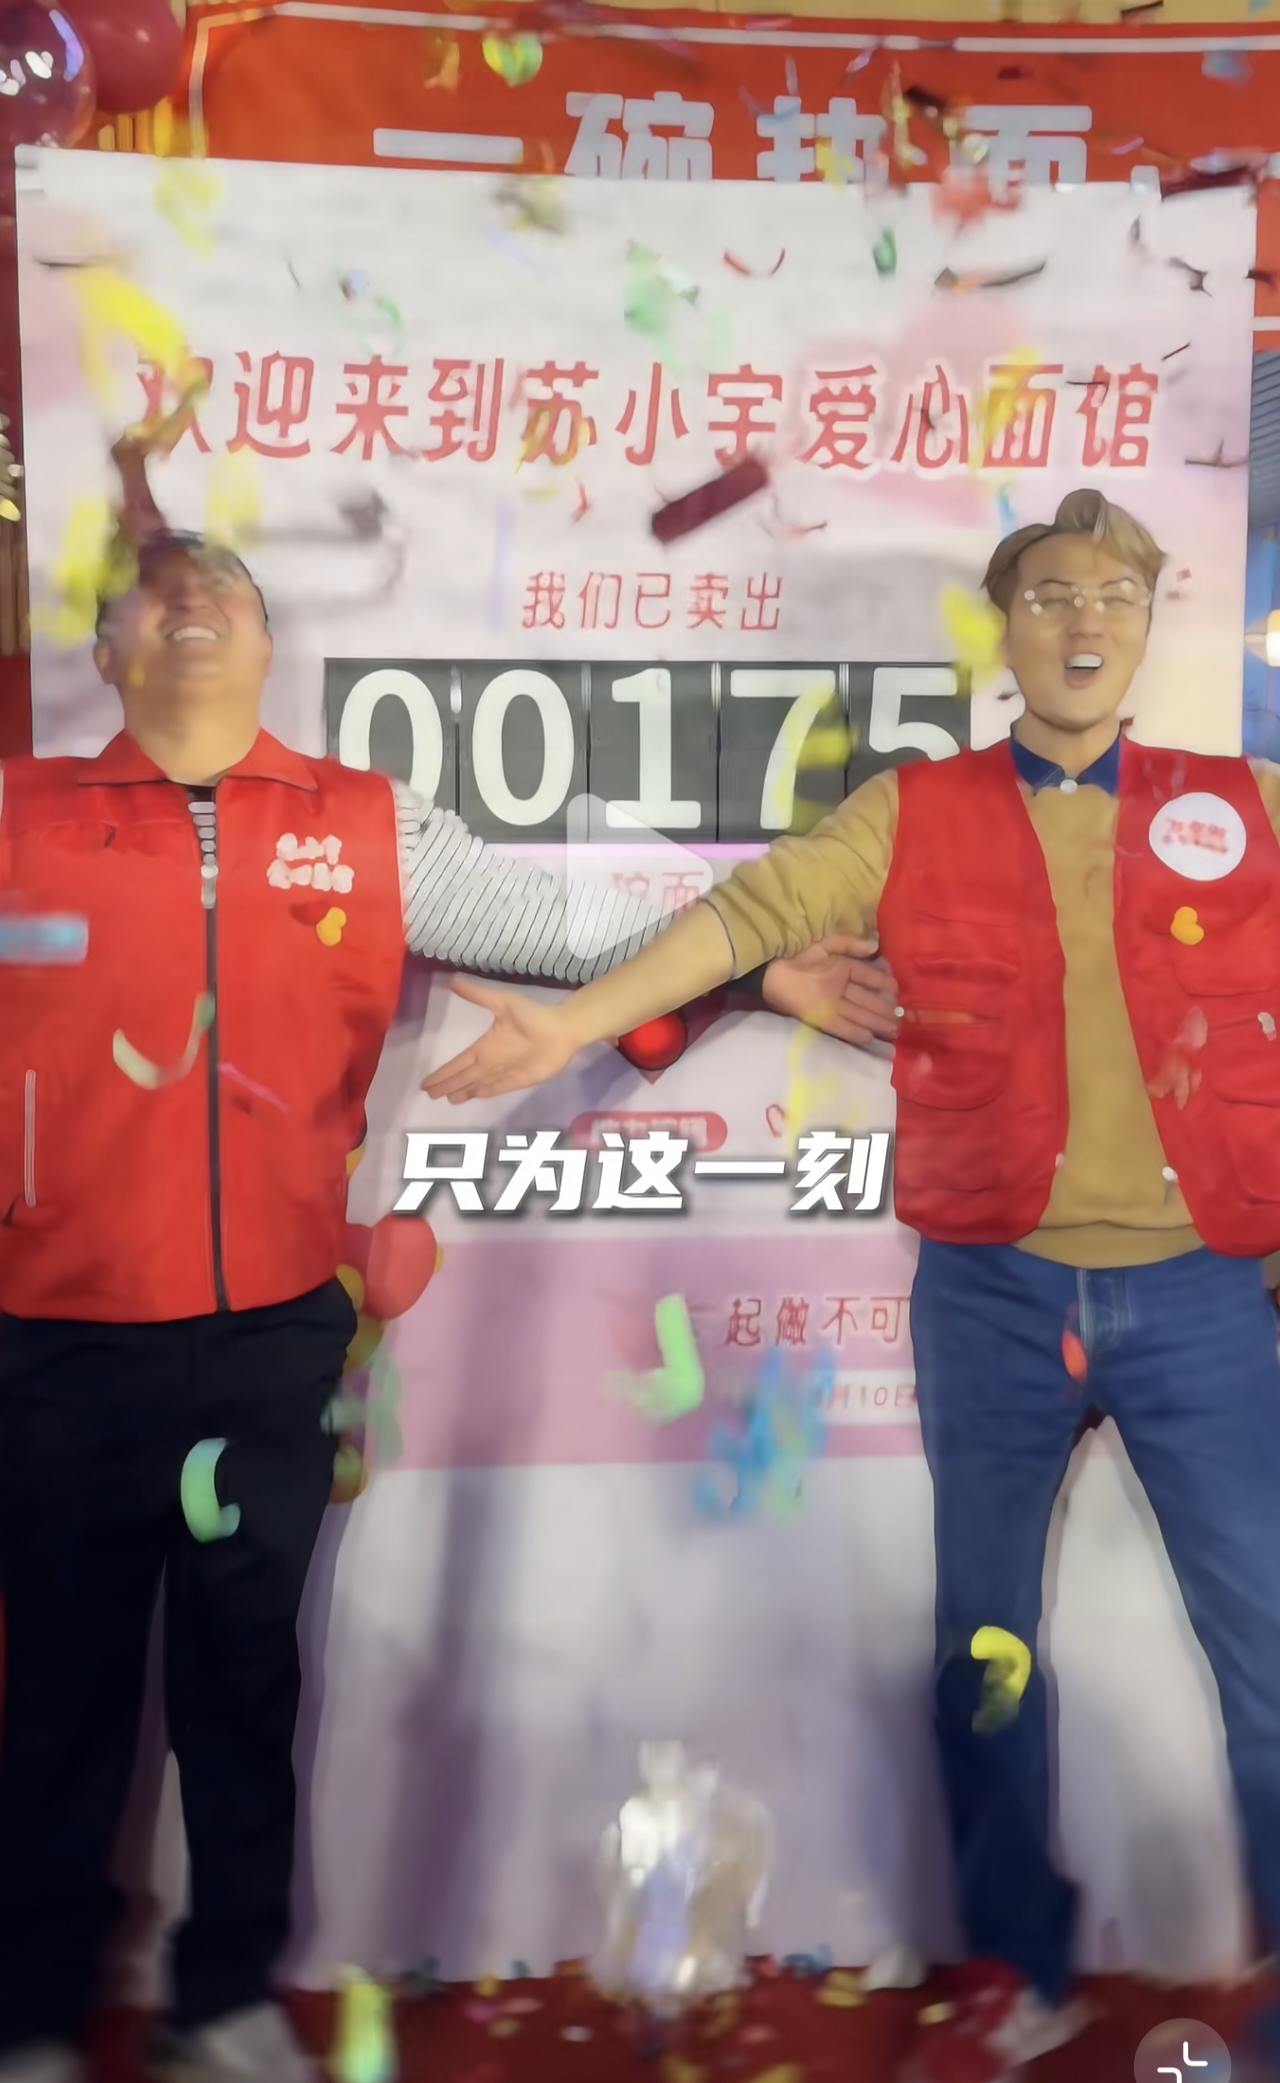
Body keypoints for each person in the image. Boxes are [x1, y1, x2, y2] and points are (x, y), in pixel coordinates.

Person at [0, 527, 888, 2083]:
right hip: (60, 1340)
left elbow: (570, 942)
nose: (192, 614)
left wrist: (756, 976)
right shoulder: (21, 821)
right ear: (107, 653)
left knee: (241, 1685)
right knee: (60, 1695)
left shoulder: (366, 822)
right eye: (156, 601)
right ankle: (30, 2016)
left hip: (274, 1336)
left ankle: (223, 2000)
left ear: (266, 646)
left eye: (224, 598)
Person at [427, 487, 1280, 2083]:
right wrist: (577, 1021)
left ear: (1148, 621)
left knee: (1273, 1661)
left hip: (1204, 1299)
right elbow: (745, 917)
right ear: (1008, 628)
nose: (1083, 621)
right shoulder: (914, 810)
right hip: (990, 1293)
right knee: (985, 1655)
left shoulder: (1245, 803)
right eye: (1050, 594)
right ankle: (1016, 1967)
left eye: (1112, 593)